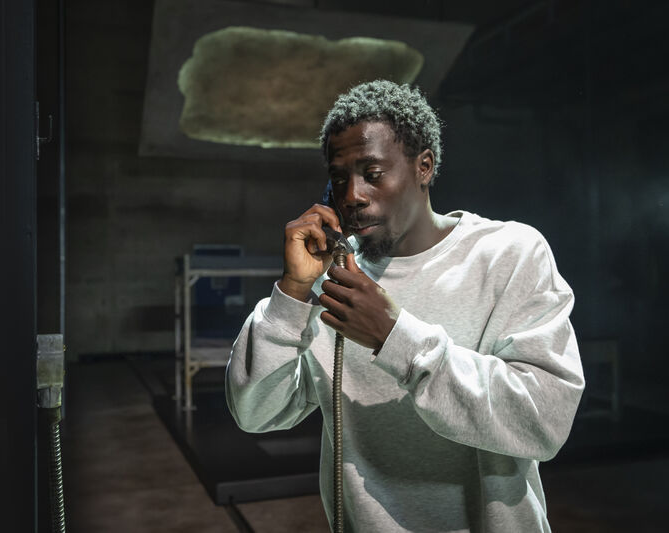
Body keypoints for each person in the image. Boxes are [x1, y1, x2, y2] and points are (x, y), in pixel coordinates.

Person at [226, 80, 584, 532]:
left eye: (372, 173)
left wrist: (396, 339)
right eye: (339, 179)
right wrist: (292, 291)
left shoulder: (509, 254)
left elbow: (543, 423)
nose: (352, 195)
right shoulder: (330, 275)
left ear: (424, 167)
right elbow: (254, 411)